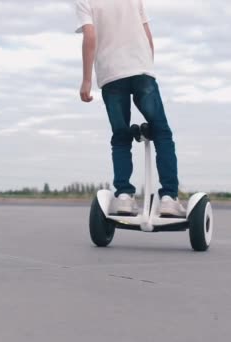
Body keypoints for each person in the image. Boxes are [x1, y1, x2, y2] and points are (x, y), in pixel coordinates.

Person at [75, 0, 186, 217]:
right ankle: (168, 198)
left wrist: (86, 80)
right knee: (162, 133)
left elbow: (90, 37)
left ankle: (124, 197)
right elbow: (147, 36)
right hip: (141, 70)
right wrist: (148, 68)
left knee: (121, 136)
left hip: (111, 75)